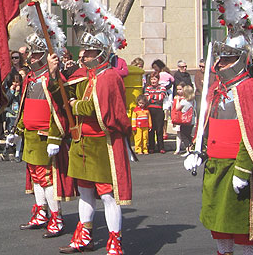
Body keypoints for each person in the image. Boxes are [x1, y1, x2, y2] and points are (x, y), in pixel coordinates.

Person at [185, 0, 253, 254]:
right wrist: (196, 149)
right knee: (219, 225)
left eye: (226, 60)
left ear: (239, 59)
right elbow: (206, 123)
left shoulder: (251, 88)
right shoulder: (215, 88)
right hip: (215, 167)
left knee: (245, 230)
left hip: (241, 169)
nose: (221, 64)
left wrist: (242, 169)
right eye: (220, 59)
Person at [57, 30, 132, 254]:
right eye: (84, 52)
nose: (83, 56)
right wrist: (54, 73)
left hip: (103, 144)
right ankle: (84, 237)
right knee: (85, 191)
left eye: (88, 52)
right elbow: (60, 92)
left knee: (108, 195)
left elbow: (94, 109)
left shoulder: (109, 77)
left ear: (100, 53)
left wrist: (75, 105)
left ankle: (115, 242)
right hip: (83, 143)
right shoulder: (83, 75)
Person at [14, 32, 77, 241]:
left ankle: (56, 217)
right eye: (30, 54)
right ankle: (41, 213)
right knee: (35, 178)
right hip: (30, 136)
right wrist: (18, 129)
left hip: (45, 136)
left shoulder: (53, 79)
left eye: (36, 54)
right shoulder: (29, 79)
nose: (31, 58)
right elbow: (25, 107)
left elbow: (59, 109)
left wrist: (54, 137)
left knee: (47, 179)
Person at [145, 72, 166, 153]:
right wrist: (154, 97)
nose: (153, 81)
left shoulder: (162, 87)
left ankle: (161, 147)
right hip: (150, 110)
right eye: (152, 79)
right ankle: (151, 147)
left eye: (155, 79)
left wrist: (152, 96)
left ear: (158, 79)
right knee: (151, 129)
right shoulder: (148, 88)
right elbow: (146, 97)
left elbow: (161, 97)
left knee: (159, 129)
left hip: (159, 110)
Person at [172, 84, 195, 155]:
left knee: (183, 135)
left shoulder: (184, 101)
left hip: (184, 120)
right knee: (188, 134)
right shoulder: (193, 101)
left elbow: (177, 108)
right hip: (191, 120)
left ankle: (188, 149)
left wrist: (178, 100)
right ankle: (192, 147)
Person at [4, 72, 22, 161]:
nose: (15, 84)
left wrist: (17, 92)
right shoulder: (9, 91)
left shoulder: (21, 91)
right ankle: (7, 145)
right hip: (11, 115)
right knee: (11, 134)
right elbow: (7, 101)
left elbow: (21, 101)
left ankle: (17, 154)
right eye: (14, 82)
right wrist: (11, 91)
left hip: (18, 115)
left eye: (17, 82)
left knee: (18, 136)